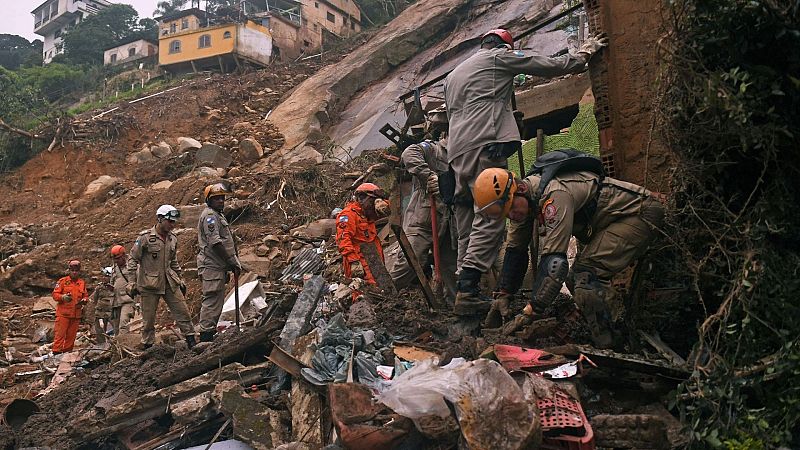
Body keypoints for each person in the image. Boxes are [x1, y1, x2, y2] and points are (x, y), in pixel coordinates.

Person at [444, 28, 608, 315]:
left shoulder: (453, 75)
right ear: (505, 47)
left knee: (466, 217)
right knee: (494, 213)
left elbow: (474, 106)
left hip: (457, 151)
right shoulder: (498, 58)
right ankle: (469, 290)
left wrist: (506, 115)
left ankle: (463, 286)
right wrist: (582, 55)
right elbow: (546, 65)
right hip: (485, 145)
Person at [473, 166, 664, 348]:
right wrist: (503, 295)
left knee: (585, 276)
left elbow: (554, 263)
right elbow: (515, 250)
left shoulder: (554, 195)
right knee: (576, 279)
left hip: (639, 213)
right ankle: (612, 328)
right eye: (506, 215)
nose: (512, 216)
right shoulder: (524, 202)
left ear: (521, 188)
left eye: (511, 209)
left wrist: (531, 310)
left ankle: (614, 343)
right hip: (608, 221)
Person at [388, 107, 458, 303]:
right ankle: (383, 300)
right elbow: (409, 153)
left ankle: (454, 308)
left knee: (451, 268)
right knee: (411, 261)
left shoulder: (462, 158)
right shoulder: (432, 149)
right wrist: (429, 176)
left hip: (448, 224)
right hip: (423, 221)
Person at [127, 205, 196, 349]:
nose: (172, 225)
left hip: (170, 282)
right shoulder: (145, 238)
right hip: (149, 284)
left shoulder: (173, 239)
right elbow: (132, 259)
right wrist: (131, 282)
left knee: (183, 312)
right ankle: (148, 347)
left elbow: (174, 261)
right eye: (170, 222)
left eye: (174, 222)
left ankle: (192, 341)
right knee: (149, 320)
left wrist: (180, 278)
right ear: (160, 219)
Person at [197, 183, 242, 343]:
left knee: (216, 303)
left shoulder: (218, 215)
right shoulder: (210, 216)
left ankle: (208, 335)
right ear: (208, 200)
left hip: (218, 267)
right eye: (216, 199)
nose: (221, 201)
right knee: (211, 302)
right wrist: (231, 262)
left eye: (222, 198)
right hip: (212, 267)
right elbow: (215, 243)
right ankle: (205, 339)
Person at [336, 183, 391, 293]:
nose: (372, 205)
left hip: (373, 259)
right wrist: (354, 262)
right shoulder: (348, 215)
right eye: (372, 201)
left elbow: (385, 211)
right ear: (362, 198)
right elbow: (343, 239)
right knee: (363, 292)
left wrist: (382, 203)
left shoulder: (366, 213)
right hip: (359, 262)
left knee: (381, 290)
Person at [52, 260, 89, 354]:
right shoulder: (62, 281)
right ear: (69, 270)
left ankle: (67, 355)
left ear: (79, 271)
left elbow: (85, 295)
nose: (74, 272)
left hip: (76, 315)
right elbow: (55, 295)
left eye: (76, 271)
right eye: (72, 270)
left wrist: (84, 300)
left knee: (71, 337)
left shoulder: (82, 283)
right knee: (59, 336)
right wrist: (62, 297)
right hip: (63, 314)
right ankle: (56, 354)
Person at [110, 245, 136, 334]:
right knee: (116, 328)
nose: (116, 261)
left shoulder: (132, 266)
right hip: (116, 301)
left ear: (124, 256)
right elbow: (113, 281)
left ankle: (123, 345)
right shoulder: (115, 267)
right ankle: (117, 346)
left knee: (123, 325)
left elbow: (139, 281)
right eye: (114, 259)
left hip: (128, 300)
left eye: (118, 258)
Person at [89, 267, 114, 343]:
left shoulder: (114, 287)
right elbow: (94, 299)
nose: (104, 278)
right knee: (99, 331)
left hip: (111, 312)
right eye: (103, 276)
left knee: (116, 329)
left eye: (106, 276)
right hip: (100, 312)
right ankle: (101, 346)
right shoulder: (99, 287)